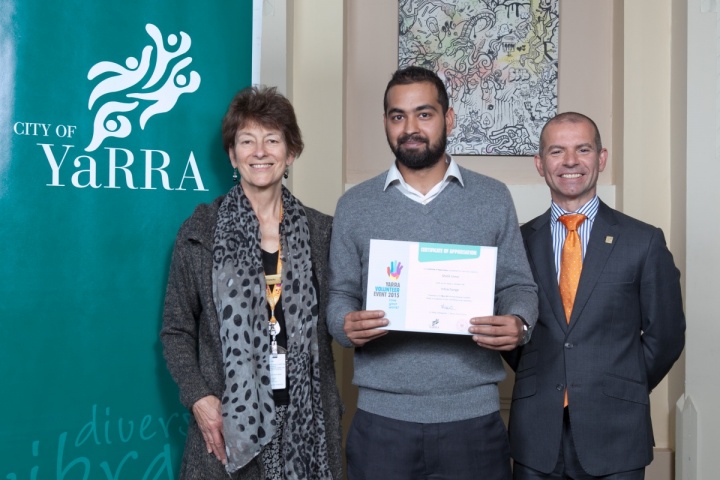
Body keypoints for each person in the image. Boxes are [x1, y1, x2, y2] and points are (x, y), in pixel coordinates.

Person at [327, 66, 538, 480]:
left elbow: (518, 283)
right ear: (386, 123)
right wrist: (344, 324)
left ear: (449, 118)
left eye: (424, 114)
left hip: (473, 420)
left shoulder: (493, 197)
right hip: (381, 421)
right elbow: (340, 295)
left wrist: (519, 322)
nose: (410, 128)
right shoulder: (355, 205)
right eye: (397, 116)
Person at [160, 86, 343, 479]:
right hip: (227, 425)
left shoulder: (323, 233)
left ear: (290, 153)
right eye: (247, 141)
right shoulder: (200, 231)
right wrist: (199, 399)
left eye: (272, 140)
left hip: (306, 425)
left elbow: (343, 317)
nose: (260, 151)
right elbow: (175, 330)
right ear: (232, 154)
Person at [505, 112, 686, 479]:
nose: (570, 161)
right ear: (541, 164)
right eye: (557, 151)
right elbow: (510, 334)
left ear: (601, 158)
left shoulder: (643, 241)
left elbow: (666, 335)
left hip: (617, 431)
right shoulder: (517, 243)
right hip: (536, 434)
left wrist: (619, 383)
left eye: (582, 149)